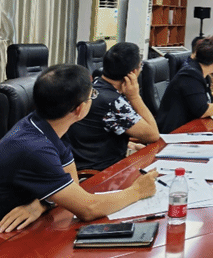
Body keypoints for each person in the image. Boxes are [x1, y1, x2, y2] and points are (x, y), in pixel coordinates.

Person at [0, 64, 157, 235]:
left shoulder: (42, 125)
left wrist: (42, 204)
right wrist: (137, 191)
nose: (93, 99)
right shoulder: (36, 148)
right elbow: (88, 209)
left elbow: (72, 181)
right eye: (92, 95)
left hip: (9, 230)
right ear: (80, 109)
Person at [66, 42, 160, 171]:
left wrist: (129, 144)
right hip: (102, 171)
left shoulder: (94, 87)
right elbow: (153, 135)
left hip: (85, 163)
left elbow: (95, 133)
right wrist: (134, 97)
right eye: (140, 66)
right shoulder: (113, 102)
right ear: (133, 73)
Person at [156, 36, 213, 133]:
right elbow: (202, 111)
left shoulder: (202, 73)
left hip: (189, 125)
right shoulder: (190, 76)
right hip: (175, 130)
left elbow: (209, 98)